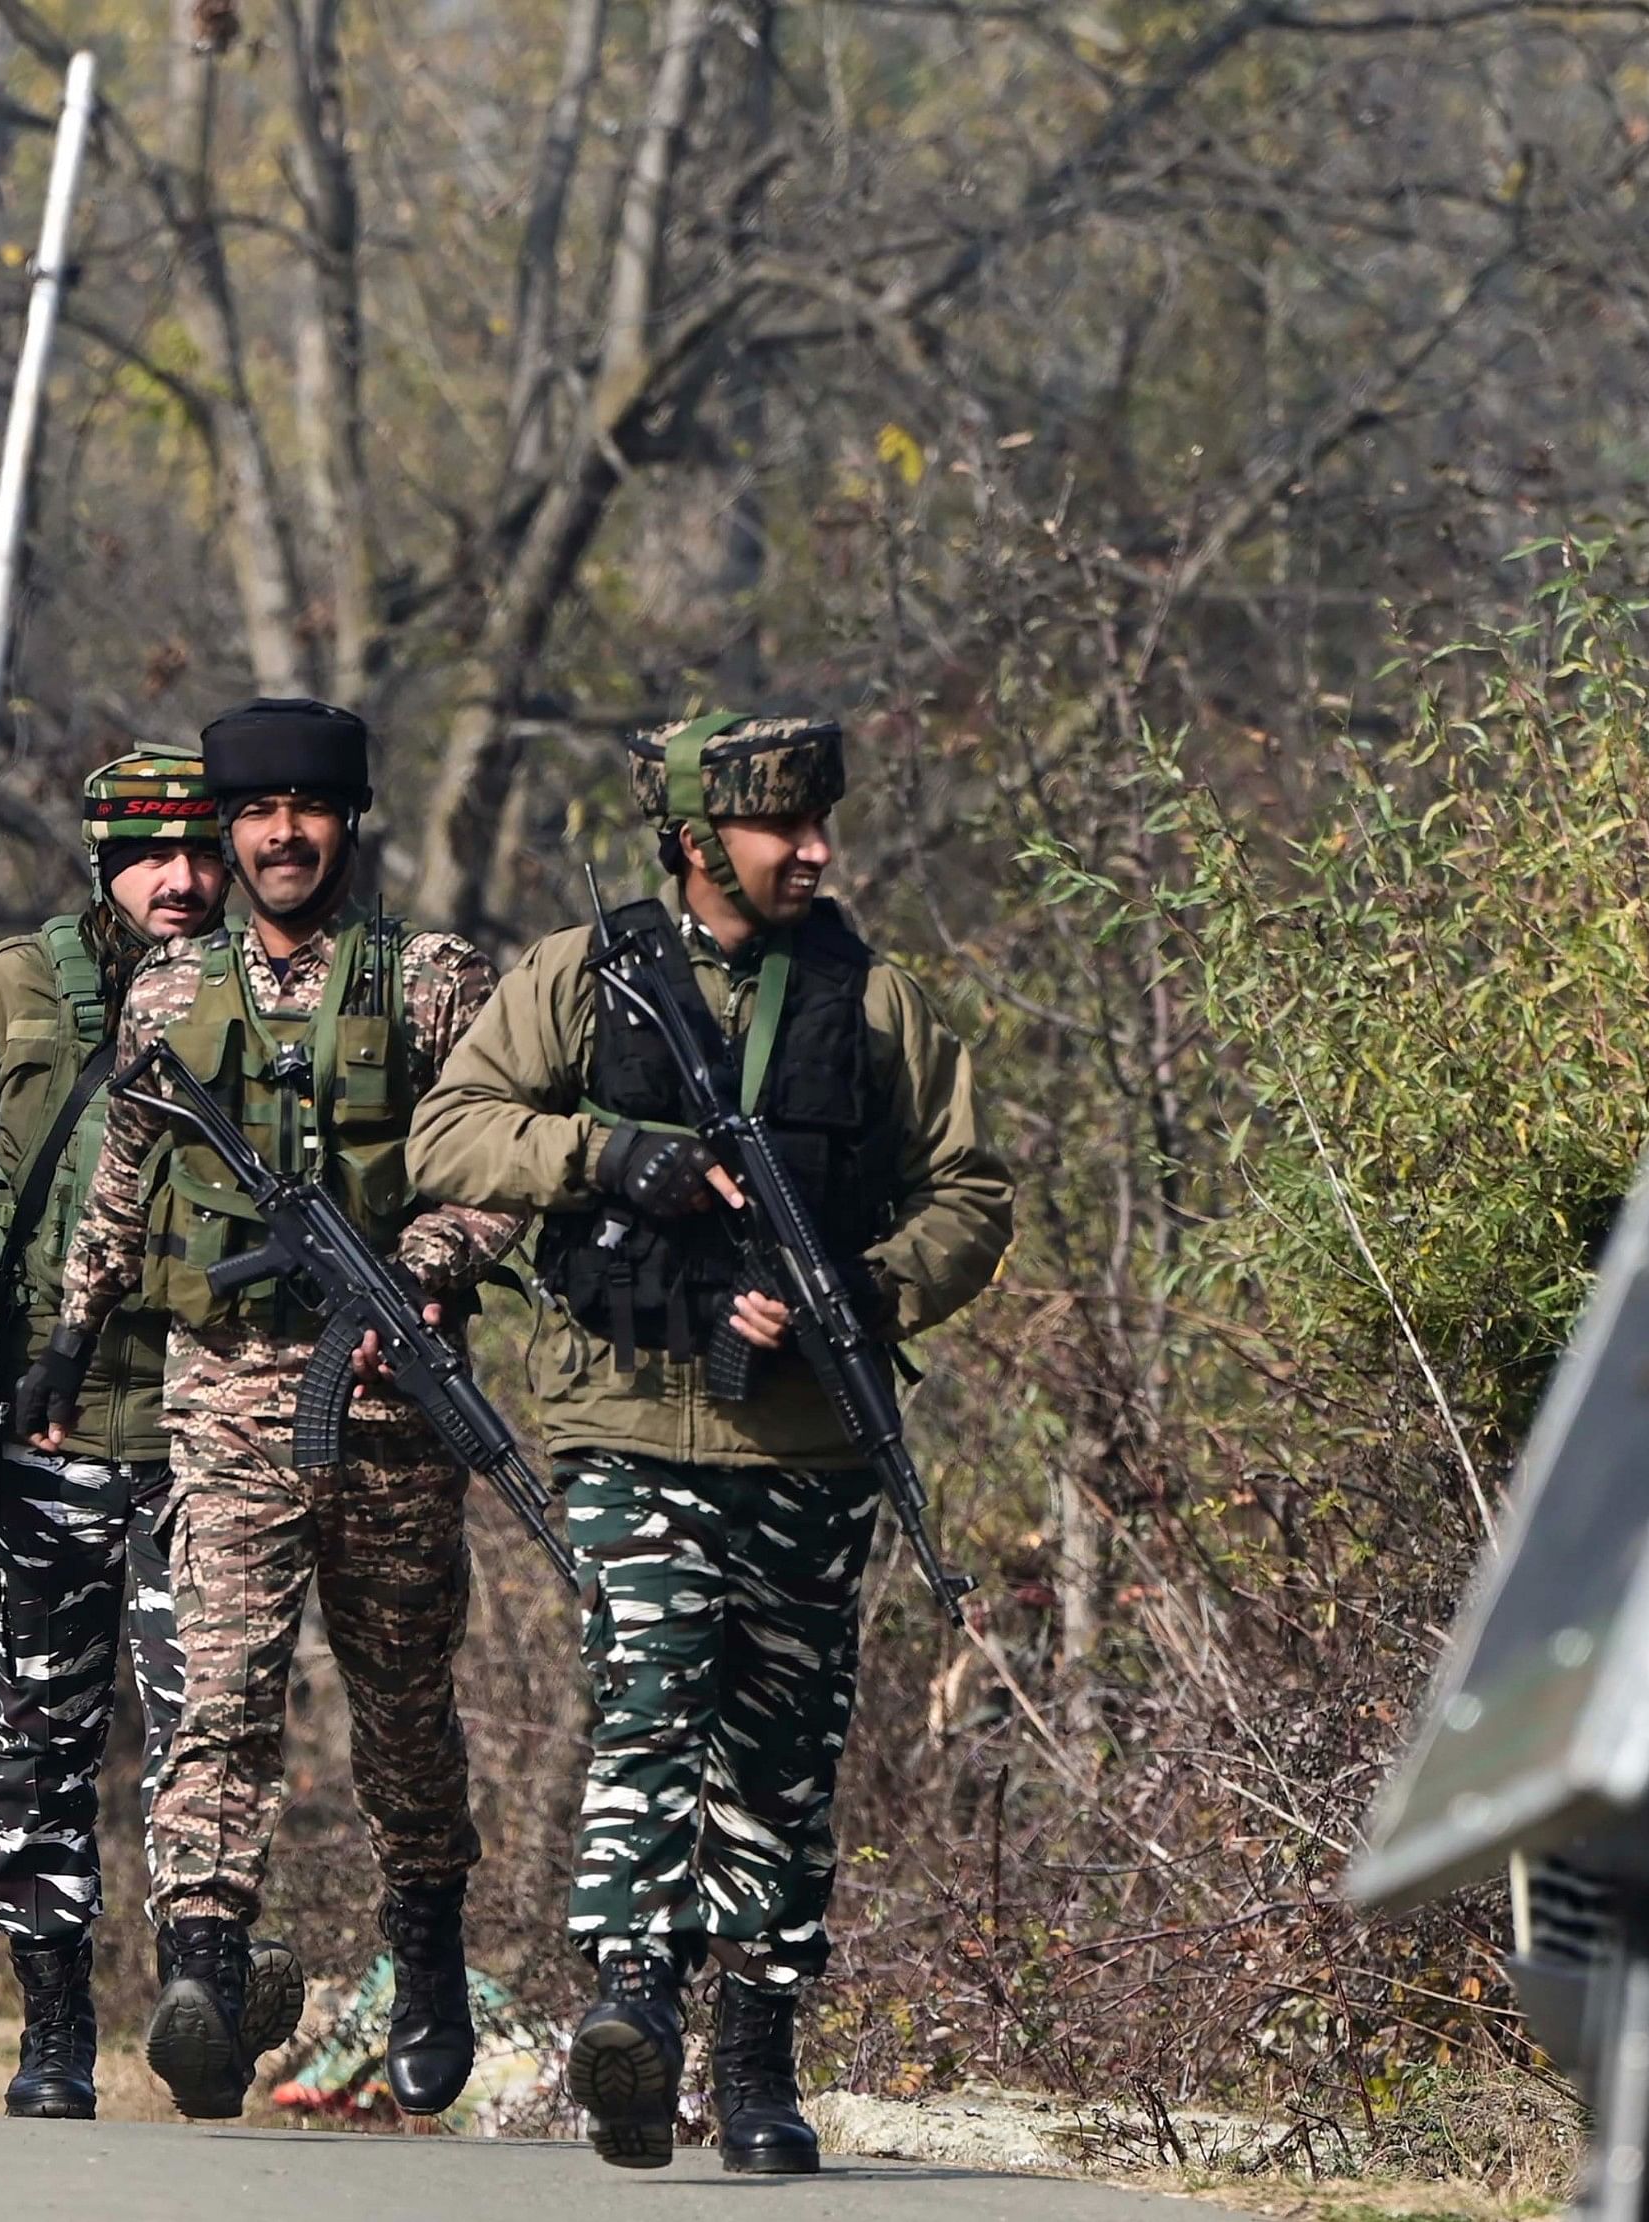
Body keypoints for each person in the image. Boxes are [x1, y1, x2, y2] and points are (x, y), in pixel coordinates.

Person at [404, 713, 1013, 2172]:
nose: (811, 850)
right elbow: (450, 1133)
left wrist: (862, 1292)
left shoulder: (875, 1004)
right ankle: (629, 2005)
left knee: (780, 1745)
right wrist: (604, 1156)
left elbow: (970, 1191)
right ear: (695, 843)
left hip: (806, 1438)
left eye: (819, 827)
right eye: (778, 828)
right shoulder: (581, 976)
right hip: (623, 1414)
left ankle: (755, 2057)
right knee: (651, 1683)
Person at [34, 698, 523, 2123]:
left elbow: (493, 1165)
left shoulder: (432, 982)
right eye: (257, 815)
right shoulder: (171, 996)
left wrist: (417, 1276)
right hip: (224, 1385)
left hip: (388, 1406)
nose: (281, 835)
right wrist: (70, 1336)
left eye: (306, 810)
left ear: (344, 821)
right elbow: (122, 1173)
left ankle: (421, 1939)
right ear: (229, 830)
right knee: (223, 1683)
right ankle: (199, 1959)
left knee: (400, 1707)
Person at [0, 744, 307, 2119]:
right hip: (39, 1440)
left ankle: (195, 2001)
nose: (182, 879)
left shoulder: (266, 992)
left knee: (206, 1731)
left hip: (209, 1432)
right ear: (100, 861)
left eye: (201, 853)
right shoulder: (12, 994)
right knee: (38, 1744)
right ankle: (51, 2025)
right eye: (151, 855)